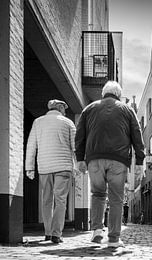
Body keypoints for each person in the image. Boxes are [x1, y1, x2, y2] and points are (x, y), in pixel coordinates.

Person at [75, 80, 145, 248]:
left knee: (98, 194)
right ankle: (113, 239)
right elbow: (137, 134)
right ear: (119, 95)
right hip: (118, 160)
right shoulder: (127, 110)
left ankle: (97, 231)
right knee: (116, 199)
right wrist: (140, 161)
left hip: (94, 159)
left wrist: (80, 158)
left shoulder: (89, 109)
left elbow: (80, 135)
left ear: (103, 93)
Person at [25, 99, 76, 244]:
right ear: (60, 108)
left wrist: (29, 167)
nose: (65, 111)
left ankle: (48, 232)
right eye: (64, 108)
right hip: (63, 167)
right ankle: (56, 234)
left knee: (46, 200)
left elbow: (31, 146)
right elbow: (75, 147)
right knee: (61, 201)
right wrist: (78, 167)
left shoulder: (37, 122)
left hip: (45, 167)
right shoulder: (68, 123)